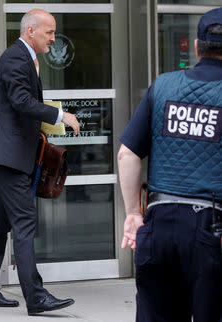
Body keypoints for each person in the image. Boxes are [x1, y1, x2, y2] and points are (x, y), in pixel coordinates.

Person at [0, 9, 80, 316]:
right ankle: (36, 296)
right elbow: (21, 102)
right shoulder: (15, 59)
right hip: (8, 156)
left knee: (0, 223)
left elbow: (19, 106)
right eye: (49, 32)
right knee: (25, 222)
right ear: (31, 31)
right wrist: (60, 115)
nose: (53, 38)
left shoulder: (24, 57)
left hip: (12, 154)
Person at [118, 8, 222, 322]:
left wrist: (134, 214)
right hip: (211, 230)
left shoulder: (163, 86)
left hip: (159, 224)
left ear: (195, 46)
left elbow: (127, 154)